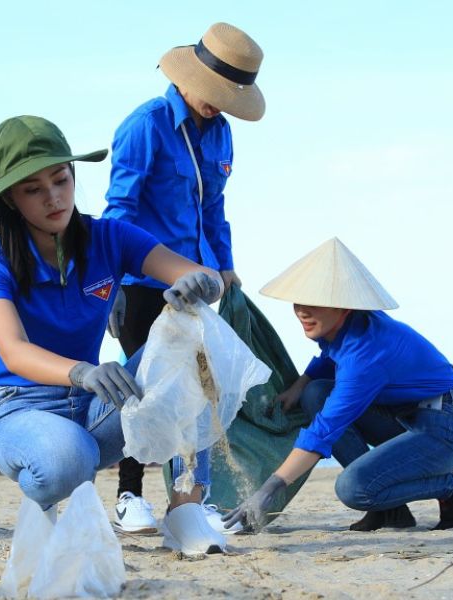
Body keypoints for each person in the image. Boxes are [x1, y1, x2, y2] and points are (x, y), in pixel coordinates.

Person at [0, 115, 229, 554]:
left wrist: (201, 284)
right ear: (10, 200)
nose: (54, 198)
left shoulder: (110, 237)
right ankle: (44, 499)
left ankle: (187, 510)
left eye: (61, 180)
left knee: (190, 343)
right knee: (68, 459)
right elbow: (13, 351)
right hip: (23, 407)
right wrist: (83, 372)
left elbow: (203, 276)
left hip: (96, 407)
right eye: (33, 189)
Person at [103, 22, 265, 535]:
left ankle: (190, 498)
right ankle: (129, 497)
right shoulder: (145, 125)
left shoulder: (221, 132)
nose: (219, 104)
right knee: (146, 389)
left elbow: (213, 207)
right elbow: (119, 212)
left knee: (202, 389)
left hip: (199, 288)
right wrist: (108, 287)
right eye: (215, 92)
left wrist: (226, 264)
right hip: (143, 283)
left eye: (230, 96)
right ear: (188, 76)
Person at [223, 238, 453, 532]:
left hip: (447, 429)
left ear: (344, 307)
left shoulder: (367, 357)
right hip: (406, 417)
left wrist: (266, 492)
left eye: (316, 303)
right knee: (316, 391)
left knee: (355, 488)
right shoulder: (347, 327)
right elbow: (330, 356)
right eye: (300, 301)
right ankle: (391, 512)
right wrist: (300, 383)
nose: (303, 312)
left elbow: (324, 431)